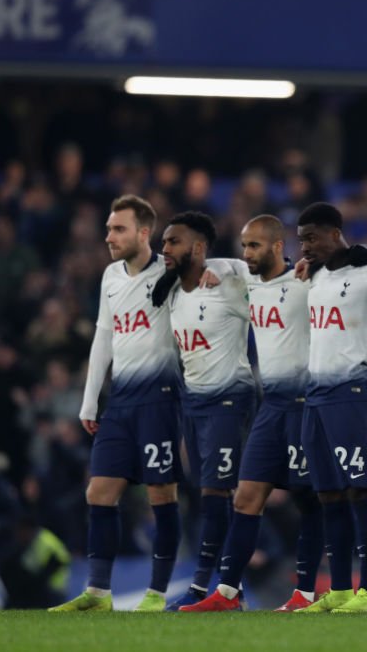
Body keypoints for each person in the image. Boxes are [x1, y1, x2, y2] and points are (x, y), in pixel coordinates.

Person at [181, 214, 324, 613]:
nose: (247, 254)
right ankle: (228, 594)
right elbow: (225, 266)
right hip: (270, 407)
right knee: (246, 497)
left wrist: (319, 264)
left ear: (278, 247)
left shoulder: (304, 283)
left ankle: (306, 594)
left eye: (255, 246)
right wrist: (213, 268)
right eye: (244, 246)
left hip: (305, 404)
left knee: (309, 500)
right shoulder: (246, 284)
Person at [50, 195, 183, 613]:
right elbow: (103, 338)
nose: (109, 236)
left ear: (144, 233)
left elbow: (216, 271)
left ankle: (157, 594)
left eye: (118, 229)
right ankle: (98, 593)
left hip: (159, 401)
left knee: (162, 494)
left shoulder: (171, 272)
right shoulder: (110, 276)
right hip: (120, 402)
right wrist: (90, 402)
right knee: (99, 493)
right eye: (108, 228)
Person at [153, 211, 256, 610]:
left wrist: (223, 266)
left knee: (217, 491)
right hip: (193, 401)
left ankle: (200, 587)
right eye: (163, 242)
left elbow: (265, 276)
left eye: (173, 242)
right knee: (209, 494)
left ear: (198, 247)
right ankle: (234, 589)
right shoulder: (172, 290)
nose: (165, 249)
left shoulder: (228, 280)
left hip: (231, 399)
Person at [293, 203, 367, 614]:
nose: (306, 247)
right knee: (329, 495)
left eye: (312, 238)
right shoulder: (315, 275)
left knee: (360, 490)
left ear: (335, 233)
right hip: (315, 397)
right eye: (301, 240)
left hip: (353, 390)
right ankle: (339, 590)